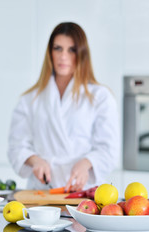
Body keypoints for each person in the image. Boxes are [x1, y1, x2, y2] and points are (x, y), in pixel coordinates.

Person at [8, 22, 120, 192]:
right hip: (41, 193)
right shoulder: (30, 99)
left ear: (82, 54)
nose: (63, 56)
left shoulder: (101, 97)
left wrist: (86, 163)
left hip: (83, 193)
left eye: (71, 50)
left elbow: (109, 149)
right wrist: (35, 161)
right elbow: (16, 146)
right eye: (58, 48)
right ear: (49, 53)